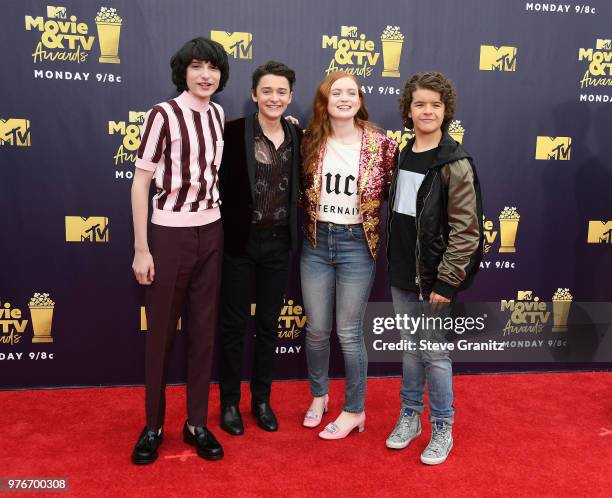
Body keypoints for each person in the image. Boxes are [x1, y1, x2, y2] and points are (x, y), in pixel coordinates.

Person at [130, 37, 229, 464]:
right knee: (161, 339)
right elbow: (140, 183)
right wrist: (141, 248)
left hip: (212, 231)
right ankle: (152, 426)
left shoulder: (219, 114)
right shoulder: (163, 115)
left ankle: (196, 423)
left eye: (213, 67)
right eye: (197, 67)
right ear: (183, 72)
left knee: (204, 334)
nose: (205, 74)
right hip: (168, 235)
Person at [385, 71, 483, 464]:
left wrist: (446, 281)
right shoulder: (402, 152)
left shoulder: (454, 162)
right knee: (411, 349)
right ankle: (411, 416)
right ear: (408, 110)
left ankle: (443, 425)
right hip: (399, 272)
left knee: (435, 354)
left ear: (446, 111)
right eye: (420, 104)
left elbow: (466, 231)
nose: (428, 111)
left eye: (435, 105)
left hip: (434, 278)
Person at [300, 71, 398, 439]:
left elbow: (400, 198)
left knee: (348, 332)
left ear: (360, 99)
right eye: (335, 92)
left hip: (357, 244)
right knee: (316, 330)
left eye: (351, 92)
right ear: (324, 101)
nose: (344, 98)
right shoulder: (308, 141)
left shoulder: (382, 146)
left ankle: (355, 410)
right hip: (316, 243)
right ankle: (319, 396)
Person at [217, 61, 301, 435]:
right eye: (266, 90)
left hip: (279, 243)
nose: (274, 97)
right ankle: (230, 403)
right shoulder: (231, 133)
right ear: (254, 95)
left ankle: (262, 400)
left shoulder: (299, 136)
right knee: (234, 326)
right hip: (239, 242)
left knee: (269, 325)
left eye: (281, 91)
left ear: (290, 97)